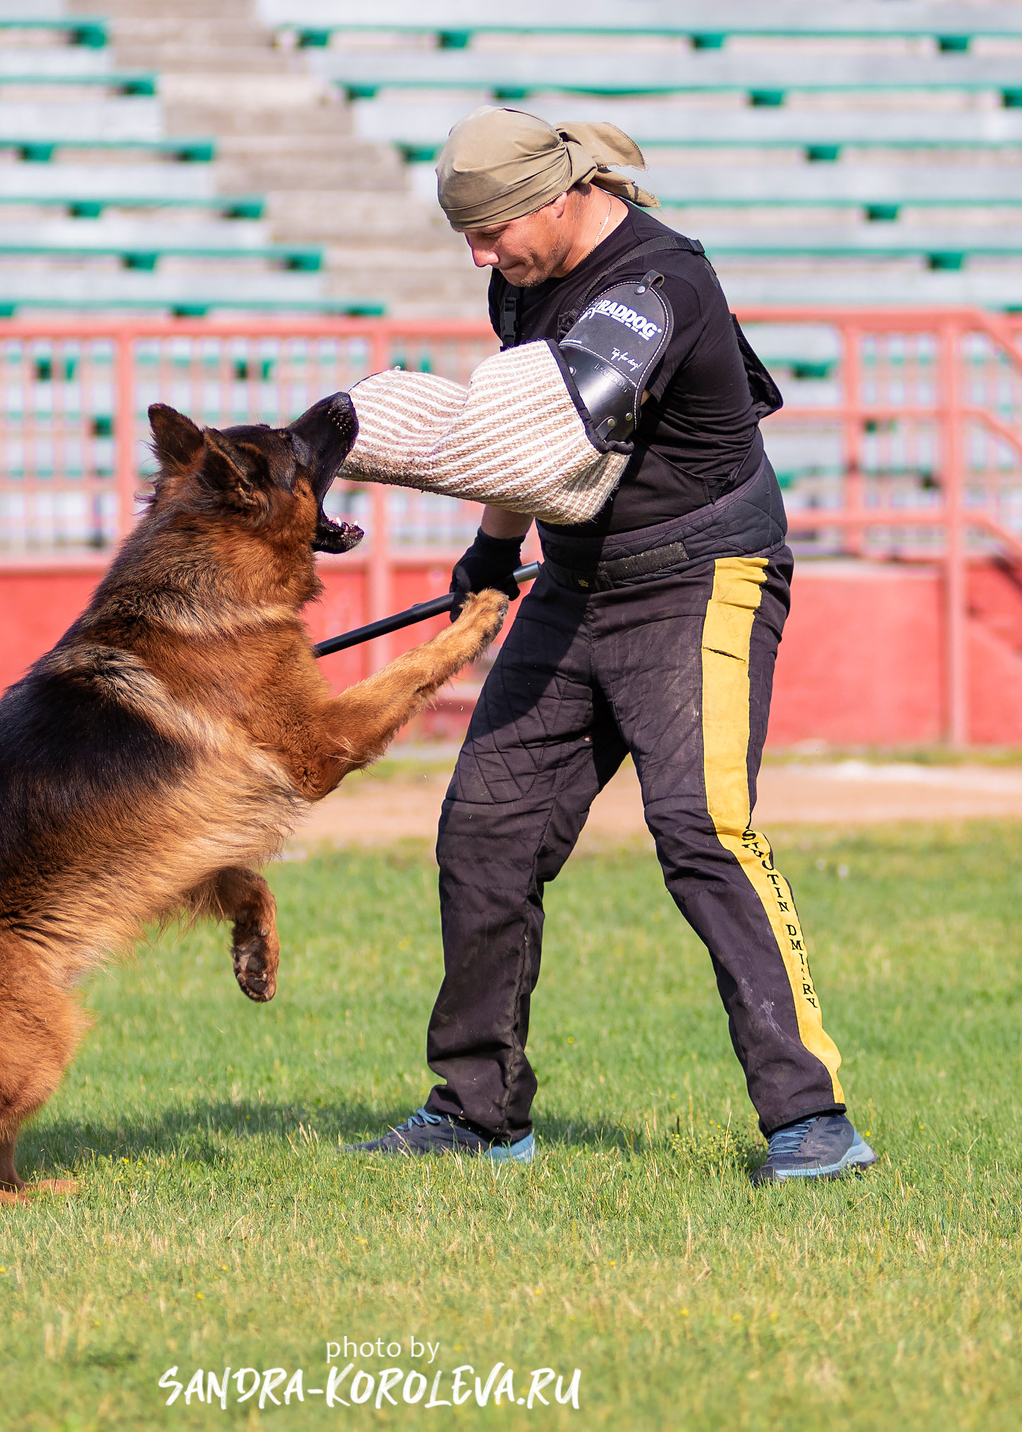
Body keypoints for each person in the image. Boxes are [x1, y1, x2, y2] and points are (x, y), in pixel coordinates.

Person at [344, 109, 875, 1183]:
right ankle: (478, 1111)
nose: (482, 259)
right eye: (468, 239)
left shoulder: (660, 284)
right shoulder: (522, 282)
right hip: (574, 584)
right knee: (485, 833)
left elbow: (559, 426)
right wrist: (490, 557)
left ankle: (811, 1121)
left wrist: (388, 443)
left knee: (700, 830)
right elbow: (522, 454)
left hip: (702, 581)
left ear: (560, 196)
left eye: (492, 232)